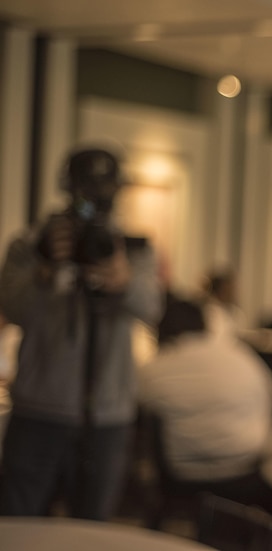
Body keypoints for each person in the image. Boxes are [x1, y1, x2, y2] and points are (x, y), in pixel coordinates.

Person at [0, 146, 163, 520]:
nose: (94, 201)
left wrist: (123, 282)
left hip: (107, 415)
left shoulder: (130, 249)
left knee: (93, 530)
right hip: (39, 410)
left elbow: (153, 309)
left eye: (104, 191)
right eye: (86, 190)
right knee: (19, 524)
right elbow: (12, 310)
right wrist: (43, 270)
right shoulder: (30, 244)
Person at [138, 295, 272, 522]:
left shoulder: (155, 369)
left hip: (182, 477)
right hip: (247, 470)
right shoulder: (241, 356)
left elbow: (135, 410)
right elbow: (271, 407)